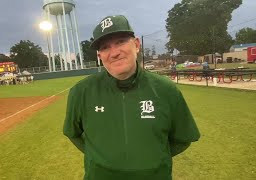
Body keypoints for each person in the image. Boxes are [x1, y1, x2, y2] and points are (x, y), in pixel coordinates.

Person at [63, 15, 200, 180]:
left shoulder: (166, 89)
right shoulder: (81, 92)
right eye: (105, 47)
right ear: (99, 57)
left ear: (136, 45)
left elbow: (183, 139)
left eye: (120, 42)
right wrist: (99, 157)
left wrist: (151, 160)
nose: (114, 53)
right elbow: (72, 133)